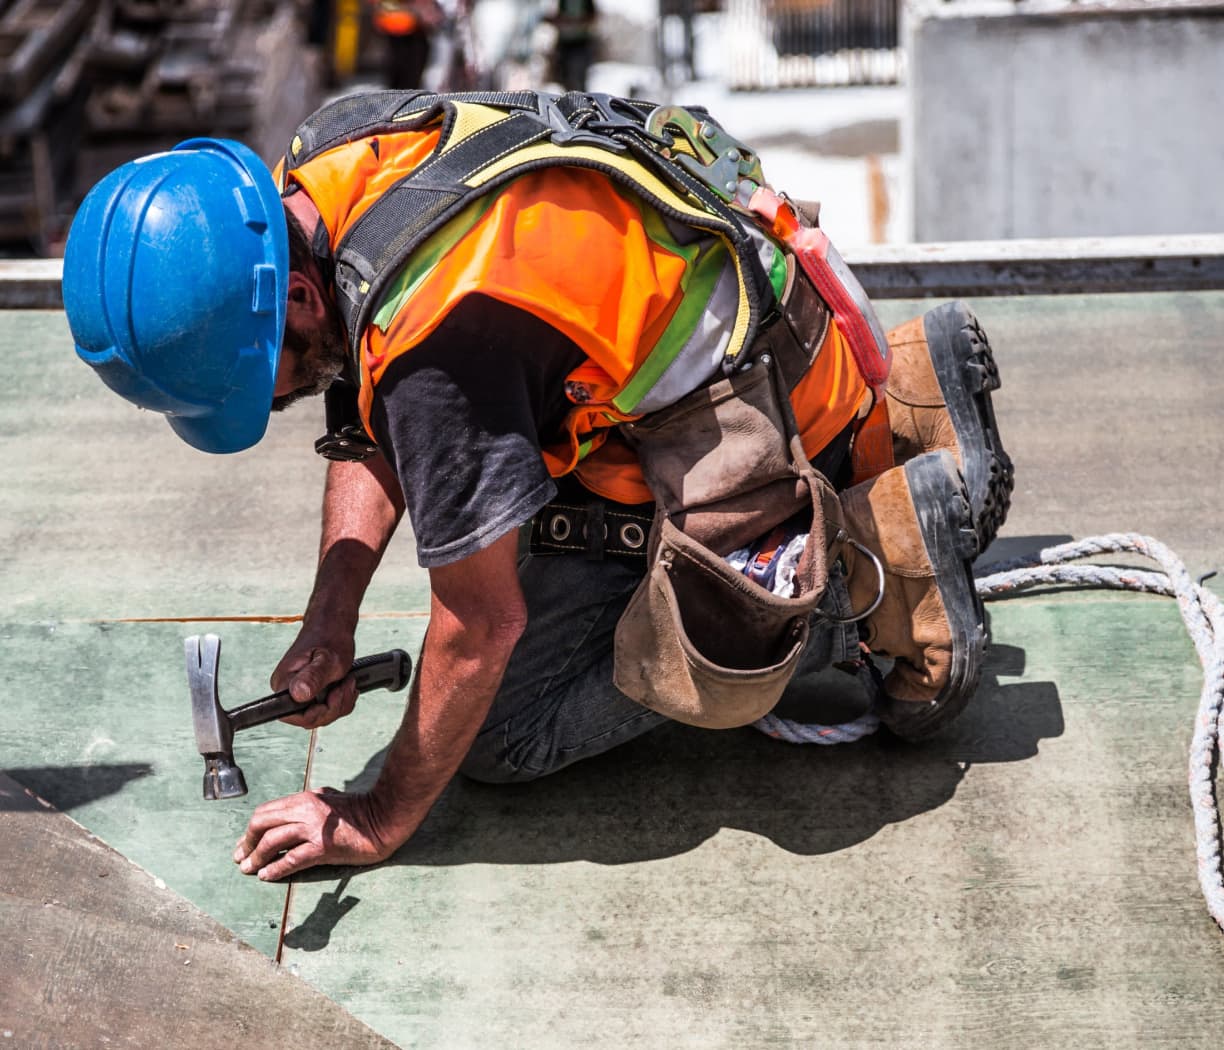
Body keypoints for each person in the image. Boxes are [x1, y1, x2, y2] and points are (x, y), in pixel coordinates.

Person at [62, 89, 1013, 882]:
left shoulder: (441, 346)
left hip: (759, 427)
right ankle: (911, 400)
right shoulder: (332, 162)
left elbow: (481, 627)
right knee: (495, 521)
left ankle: (868, 566)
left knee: (504, 734)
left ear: (298, 298)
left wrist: (378, 815)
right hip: (772, 331)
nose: (266, 409)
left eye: (253, 384)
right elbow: (366, 405)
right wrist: (331, 616)